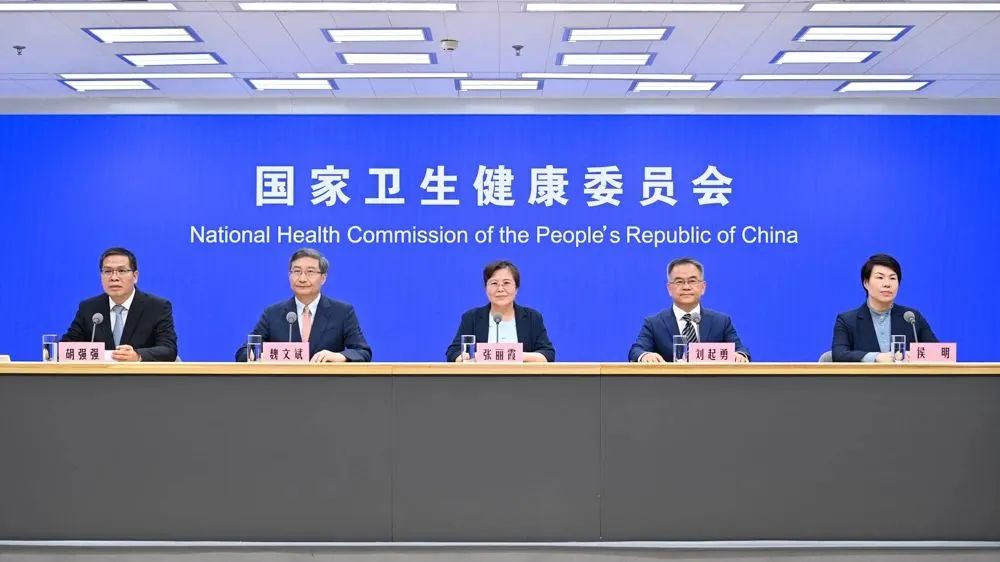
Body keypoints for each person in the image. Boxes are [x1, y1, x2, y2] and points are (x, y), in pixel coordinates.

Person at [236, 248, 371, 363]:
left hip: (326, 383)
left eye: (310, 272)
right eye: (296, 271)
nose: (302, 279)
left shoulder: (342, 312)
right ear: (289, 276)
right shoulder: (272, 313)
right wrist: (260, 355)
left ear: (323, 278)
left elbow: (362, 352)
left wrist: (339, 356)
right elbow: (244, 352)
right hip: (283, 383)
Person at [61, 247, 178, 362]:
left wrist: (137, 355)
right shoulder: (89, 308)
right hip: (100, 374)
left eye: (121, 271)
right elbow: (65, 348)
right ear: (101, 276)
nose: (114, 278)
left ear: (135, 276)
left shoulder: (157, 307)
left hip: (140, 374)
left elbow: (168, 349)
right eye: (107, 271)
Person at [628, 257, 750, 363]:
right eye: (679, 282)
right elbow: (636, 350)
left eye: (692, 281)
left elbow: (741, 350)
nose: (686, 287)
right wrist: (645, 355)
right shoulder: (654, 323)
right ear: (669, 289)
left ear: (703, 287)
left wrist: (740, 356)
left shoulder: (721, 322)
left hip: (711, 381)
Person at [832, 253, 937, 362]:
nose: (887, 284)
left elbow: (937, 353)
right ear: (866, 283)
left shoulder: (911, 318)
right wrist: (876, 357)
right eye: (880, 277)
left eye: (892, 278)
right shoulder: (847, 321)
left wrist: (914, 356)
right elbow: (839, 355)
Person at [446, 260, 555, 362]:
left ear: (516, 288)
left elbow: (548, 354)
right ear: (485, 288)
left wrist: (517, 356)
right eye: (494, 283)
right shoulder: (472, 317)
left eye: (506, 283)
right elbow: (453, 353)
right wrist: (469, 357)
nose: (500, 289)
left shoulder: (532, 317)